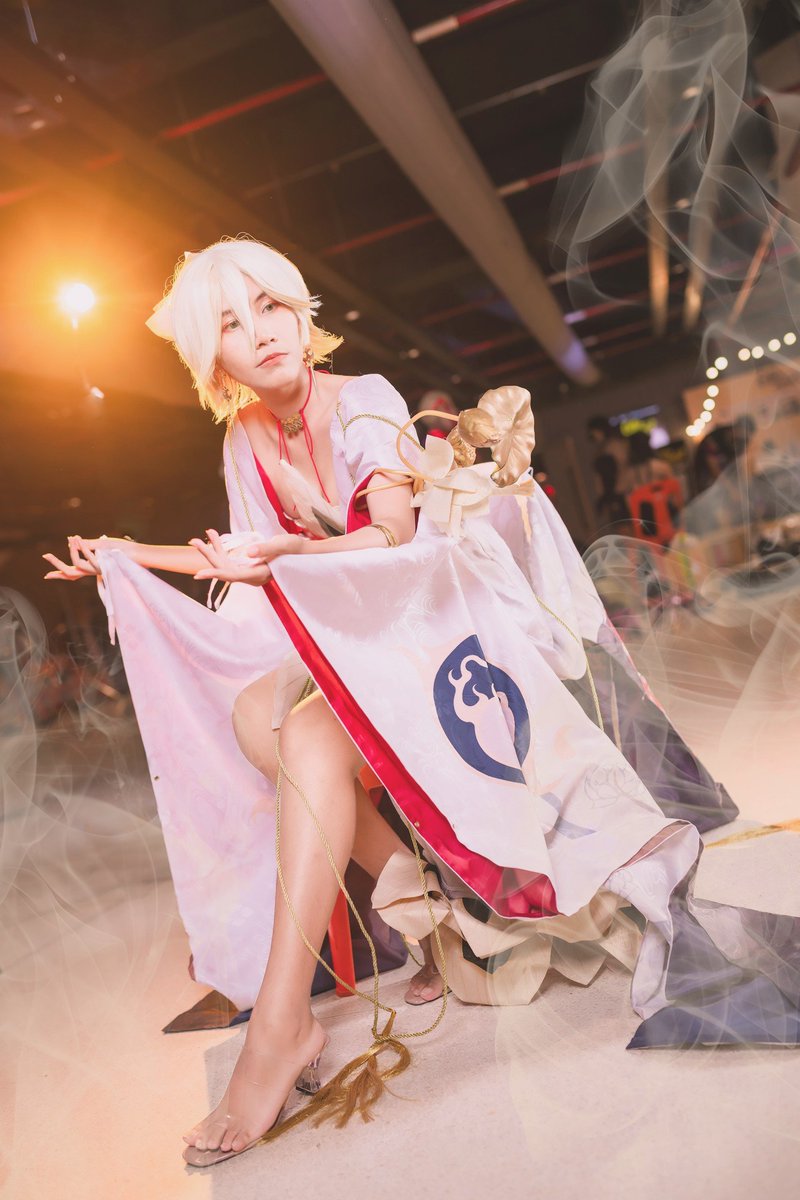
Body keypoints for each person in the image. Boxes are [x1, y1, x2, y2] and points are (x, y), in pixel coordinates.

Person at [43, 238, 800, 1169]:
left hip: (433, 632)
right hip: (357, 638)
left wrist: (290, 554)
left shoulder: (362, 396)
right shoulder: (243, 439)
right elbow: (241, 564)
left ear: (302, 312)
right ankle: (421, 909)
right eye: (232, 325)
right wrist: (126, 554)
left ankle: (285, 1025)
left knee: (306, 741)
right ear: (215, 361)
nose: (261, 333)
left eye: (271, 307)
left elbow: (393, 538)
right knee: (252, 719)